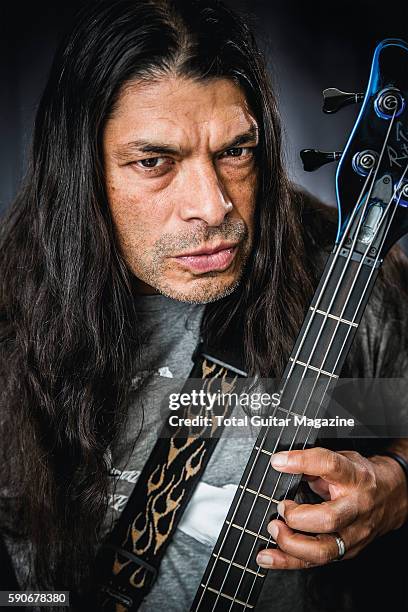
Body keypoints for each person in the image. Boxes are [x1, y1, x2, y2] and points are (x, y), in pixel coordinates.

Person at [1, 0, 407, 610]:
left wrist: (395, 486)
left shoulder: (350, 278)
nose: (213, 205)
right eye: (154, 162)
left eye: (235, 152)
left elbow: (399, 417)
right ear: (80, 169)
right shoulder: (12, 312)